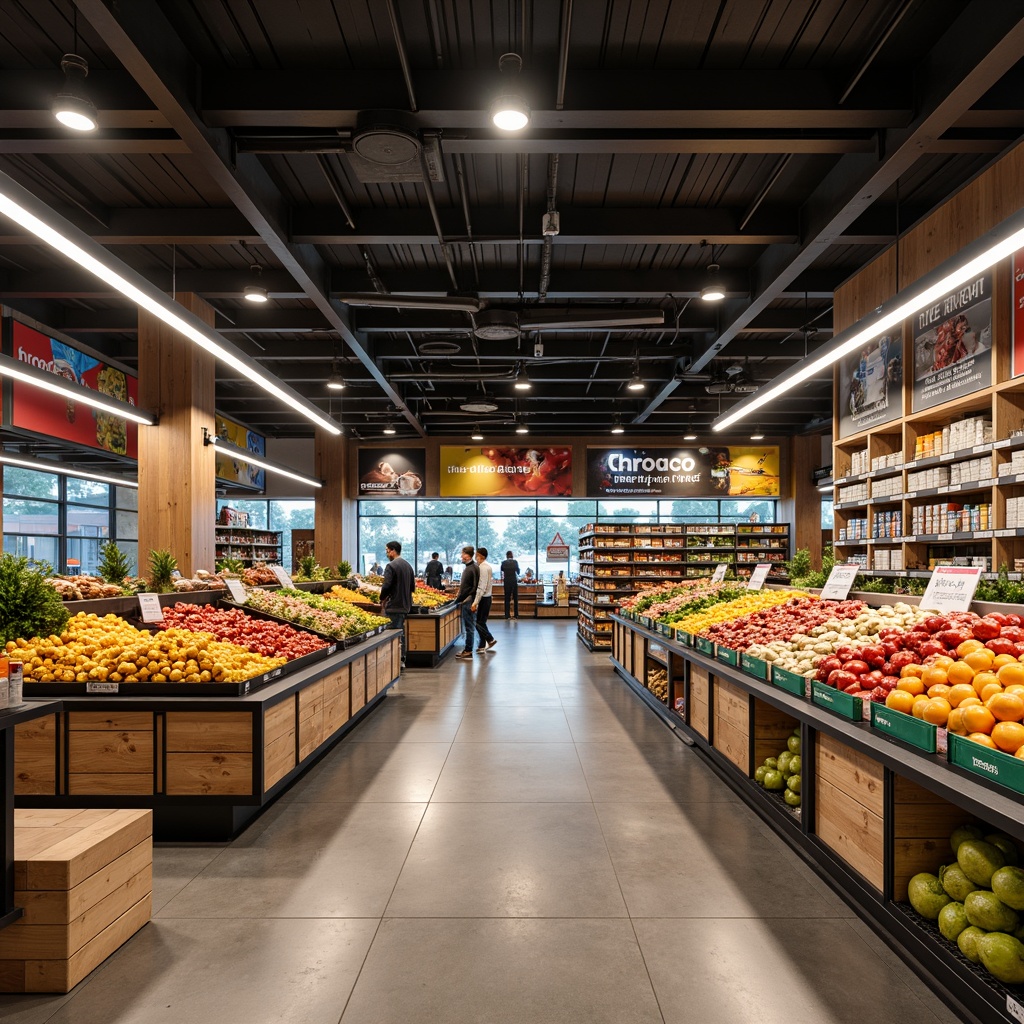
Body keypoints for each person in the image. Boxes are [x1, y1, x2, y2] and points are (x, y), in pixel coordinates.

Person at [379, 541, 415, 669]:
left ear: (393, 551)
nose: (387, 553)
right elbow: (412, 587)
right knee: (400, 632)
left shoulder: (391, 566)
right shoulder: (408, 566)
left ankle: (396, 660)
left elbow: (387, 585)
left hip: (394, 605)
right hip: (405, 605)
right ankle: (401, 659)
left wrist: (382, 598)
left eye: (387, 550)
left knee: (393, 633)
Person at [454, 546, 479, 660]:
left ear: (467, 555)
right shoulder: (471, 567)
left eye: (462, 554)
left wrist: (461, 598)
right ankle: (467, 649)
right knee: (469, 626)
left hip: (468, 601)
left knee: (469, 627)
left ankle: (468, 650)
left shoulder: (472, 568)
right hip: (467, 600)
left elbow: (474, 587)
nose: (461, 556)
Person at [472, 547, 496, 652]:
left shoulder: (482, 568)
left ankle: (490, 639)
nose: (475, 557)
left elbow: (481, 586)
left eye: (476, 555)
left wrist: (475, 602)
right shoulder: (487, 567)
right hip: (488, 597)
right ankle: (481, 646)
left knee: (478, 622)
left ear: (481, 556)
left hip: (483, 598)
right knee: (482, 621)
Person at [500, 549, 520, 618]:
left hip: (507, 581)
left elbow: (502, 570)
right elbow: (518, 572)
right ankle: (516, 614)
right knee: (515, 598)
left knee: (507, 598)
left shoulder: (503, 562)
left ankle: (507, 615)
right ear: (512, 555)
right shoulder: (515, 562)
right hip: (514, 581)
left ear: (506, 556)